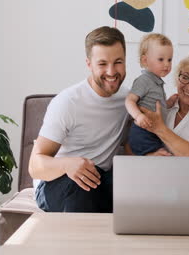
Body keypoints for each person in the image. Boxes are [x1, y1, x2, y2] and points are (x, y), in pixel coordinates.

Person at [29, 26, 129, 213]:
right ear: (89, 64)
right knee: (81, 190)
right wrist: (68, 164)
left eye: (118, 62)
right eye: (102, 64)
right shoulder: (67, 103)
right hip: (56, 182)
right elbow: (35, 166)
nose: (111, 71)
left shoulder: (128, 100)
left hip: (100, 179)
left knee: (128, 186)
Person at [136, 51, 189, 157]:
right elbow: (130, 147)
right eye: (185, 77)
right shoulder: (160, 106)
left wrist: (160, 128)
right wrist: (149, 155)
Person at [125, 33, 178, 155]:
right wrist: (138, 116)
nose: (167, 64)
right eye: (161, 59)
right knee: (156, 153)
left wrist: (168, 102)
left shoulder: (157, 83)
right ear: (145, 60)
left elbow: (156, 105)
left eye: (169, 59)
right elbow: (129, 101)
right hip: (142, 130)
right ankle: (149, 155)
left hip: (153, 130)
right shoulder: (144, 80)